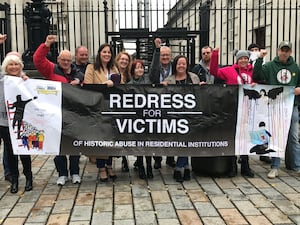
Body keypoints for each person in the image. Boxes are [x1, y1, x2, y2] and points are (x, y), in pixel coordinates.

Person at [33, 35, 84, 186]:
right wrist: (46, 44)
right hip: (55, 114)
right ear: (58, 59)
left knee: (74, 144)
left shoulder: (77, 72)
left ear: (72, 60)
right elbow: (38, 60)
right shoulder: (51, 69)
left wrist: (79, 81)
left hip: (73, 114)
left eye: (68, 60)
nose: (66, 62)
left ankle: (75, 172)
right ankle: (62, 173)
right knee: (58, 144)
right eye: (63, 59)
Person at [253, 41, 300, 179]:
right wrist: (260, 59)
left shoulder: (295, 68)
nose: (284, 53)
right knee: (276, 136)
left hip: (291, 107)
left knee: (294, 137)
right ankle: (274, 167)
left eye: (287, 50)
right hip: (275, 106)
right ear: (278, 51)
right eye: (282, 50)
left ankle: (297, 166)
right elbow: (257, 75)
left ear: (290, 52)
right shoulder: (269, 66)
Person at [210, 48, 255, 178]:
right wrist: (215, 55)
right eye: (241, 58)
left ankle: (245, 165)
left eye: (245, 58)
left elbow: (262, 82)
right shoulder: (229, 70)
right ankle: (232, 165)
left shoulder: (253, 71)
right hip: (232, 108)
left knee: (245, 137)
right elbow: (214, 71)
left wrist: (257, 84)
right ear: (237, 59)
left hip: (248, 109)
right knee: (233, 136)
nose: (243, 60)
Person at [84, 43, 119, 182]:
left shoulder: (113, 68)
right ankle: (101, 168)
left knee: (111, 138)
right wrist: (105, 84)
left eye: (109, 52)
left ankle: (110, 166)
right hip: (97, 108)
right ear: (99, 53)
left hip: (112, 108)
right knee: (100, 139)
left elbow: (119, 83)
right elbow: (87, 86)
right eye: (104, 52)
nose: (107, 54)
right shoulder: (91, 68)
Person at [162, 55, 200, 182]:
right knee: (181, 141)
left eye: (184, 63)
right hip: (175, 116)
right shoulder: (169, 79)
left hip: (191, 115)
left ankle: (179, 167)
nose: (181, 66)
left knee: (187, 139)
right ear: (175, 65)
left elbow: (200, 94)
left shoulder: (194, 78)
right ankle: (186, 165)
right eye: (179, 63)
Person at [1, 49, 33, 193]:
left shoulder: (25, 80)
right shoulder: (2, 80)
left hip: (22, 123)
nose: (13, 67)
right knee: (11, 152)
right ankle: (14, 179)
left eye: (16, 64)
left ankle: (28, 177)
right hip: (4, 123)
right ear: (5, 67)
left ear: (21, 66)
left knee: (24, 151)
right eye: (10, 64)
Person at [149, 38, 176, 169]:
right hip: (157, 103)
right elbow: (152, 76)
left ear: (171, 57)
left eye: (167, 55)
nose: (165, 57)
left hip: (172, 103)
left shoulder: (175, 67)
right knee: (157, 132)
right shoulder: (155, 67)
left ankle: (170, 158)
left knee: (171, 131)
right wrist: (157, 49)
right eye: (162, 55)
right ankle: (157, 158)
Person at [128, 59, 154, 179]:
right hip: (136, 118)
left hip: (148, 115)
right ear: (133, 70)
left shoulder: (149, 80)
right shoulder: (129, 85)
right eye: (137, 67)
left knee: (148, 142)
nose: (140, 70)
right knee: (139, 142)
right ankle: (140, 166)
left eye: (142, 67)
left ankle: (149, 166)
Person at [247, 43, 271, 164]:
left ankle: (264, 150)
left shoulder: (265, 64)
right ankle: (245, 153)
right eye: (252, 50)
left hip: (262, 97)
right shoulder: (248, 65)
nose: (255, 51)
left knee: (263, 123)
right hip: (250, 98)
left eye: (257, 49)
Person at [115, 51, 132, 172]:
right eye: (122, 59)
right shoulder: (112, 72)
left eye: (126, 60)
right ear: (118, 60)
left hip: (126, 107)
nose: (124, 61)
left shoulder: (129, 75)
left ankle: (125, 158)